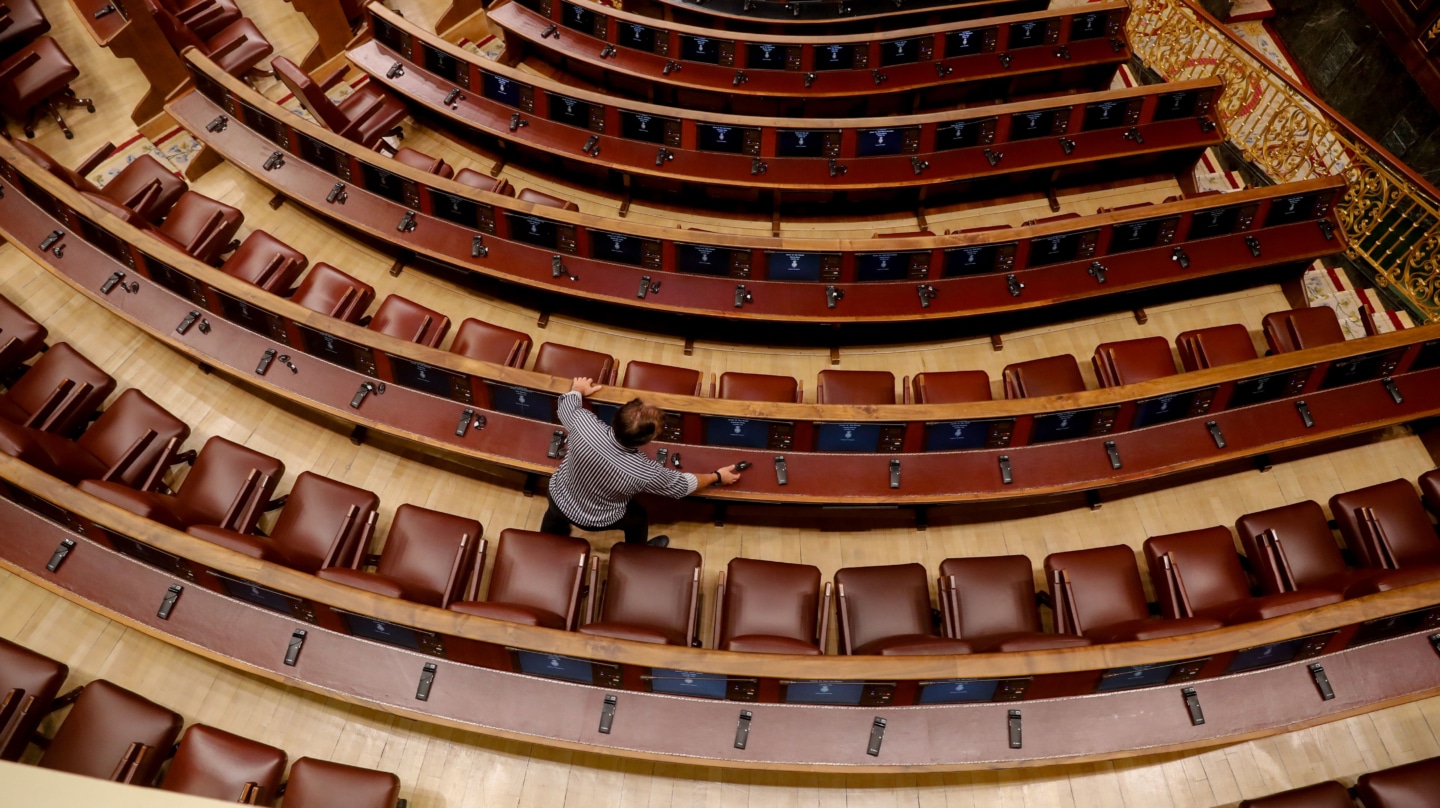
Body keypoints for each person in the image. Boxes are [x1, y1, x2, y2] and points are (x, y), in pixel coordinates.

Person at [541, 377, 742, 547]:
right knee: (638, 518)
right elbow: (683, 485)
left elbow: (566, 406)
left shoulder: (584, 425)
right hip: (597, 519)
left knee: (554, 512)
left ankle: (545, 540)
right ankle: (637, 552)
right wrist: (717, 476)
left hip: (559, 495)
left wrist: (578, 389)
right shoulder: (644, 471)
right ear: (646, 440)